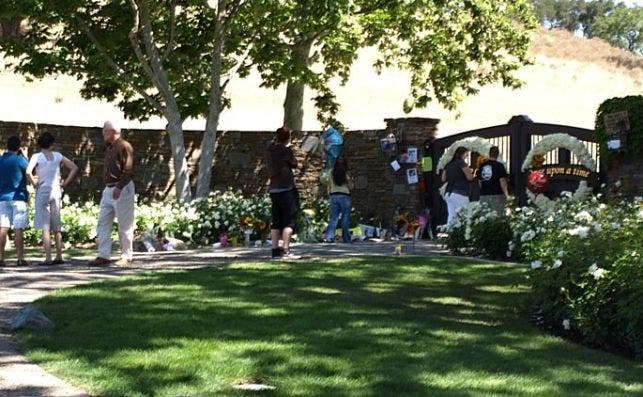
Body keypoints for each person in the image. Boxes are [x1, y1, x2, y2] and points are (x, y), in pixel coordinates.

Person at [26, 132, 79, 265]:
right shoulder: (58, 156)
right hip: (56, 190)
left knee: (45, 225)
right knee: (56, 224)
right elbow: (74, 168)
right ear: (52, 143)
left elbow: (28, 172)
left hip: (43, 190)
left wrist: (34, 183)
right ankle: (59, 256)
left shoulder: (37, 156)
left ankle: (48, 257)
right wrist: (65, 183)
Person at [88, 121, 135, 266]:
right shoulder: (109, 148)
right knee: (103, 222)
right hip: (109, 188)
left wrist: (119, 187)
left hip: (122, 188)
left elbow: (128, 169)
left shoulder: (124, 146)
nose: (103, 134)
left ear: (113, 132)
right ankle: (104, 255)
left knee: (124, 224)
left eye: (105, 131)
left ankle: (126, 256)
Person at [266, 126, 300, 259]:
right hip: (287, 188)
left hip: (274, 189)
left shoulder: (269, 150)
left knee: (276, 221)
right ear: (287, 138)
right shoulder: (285, 151)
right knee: (288, 220)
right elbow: (294, 163)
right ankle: (286, 249)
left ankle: (275, 250)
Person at [0, 136, 29, 267]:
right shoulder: (20, 160)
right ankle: (20, 258)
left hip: (3, 197)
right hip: (19, 197)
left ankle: (1, 258)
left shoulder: (1, 160)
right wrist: (24, 156)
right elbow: (29, 171)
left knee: (3, 228)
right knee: (18, 228)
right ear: (18, 146)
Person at [441, 146, 474, 226]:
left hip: (449, 193)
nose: (467, 156)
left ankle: (450, 234)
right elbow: (470, 178)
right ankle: (466, 235)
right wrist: (472, 173)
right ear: (462, 154)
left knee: (452, 216)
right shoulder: (462, 163)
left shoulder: (448, 164)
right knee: (466, 215)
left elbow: (443, 178)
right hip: (460, 192)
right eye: (466, 154)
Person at [324, 156, 354, 243]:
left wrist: (329, 194)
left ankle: (329, 237)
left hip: (334, 196)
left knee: (333, 218)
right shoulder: (346, 174)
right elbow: (351, 187)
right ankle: (346, 238)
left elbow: (329, 186)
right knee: (345, 218)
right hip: (345, 196)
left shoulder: (331, 173)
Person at [477, 146, 510, 214]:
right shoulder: (499, 166)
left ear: (489, 154)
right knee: (497, 216)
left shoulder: (482, 165)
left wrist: (483, 189)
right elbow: (502, 181)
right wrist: (506, 194)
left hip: (484, 195)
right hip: (497, 194)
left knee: (485, 216)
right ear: (497, 154)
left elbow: (479, 181)